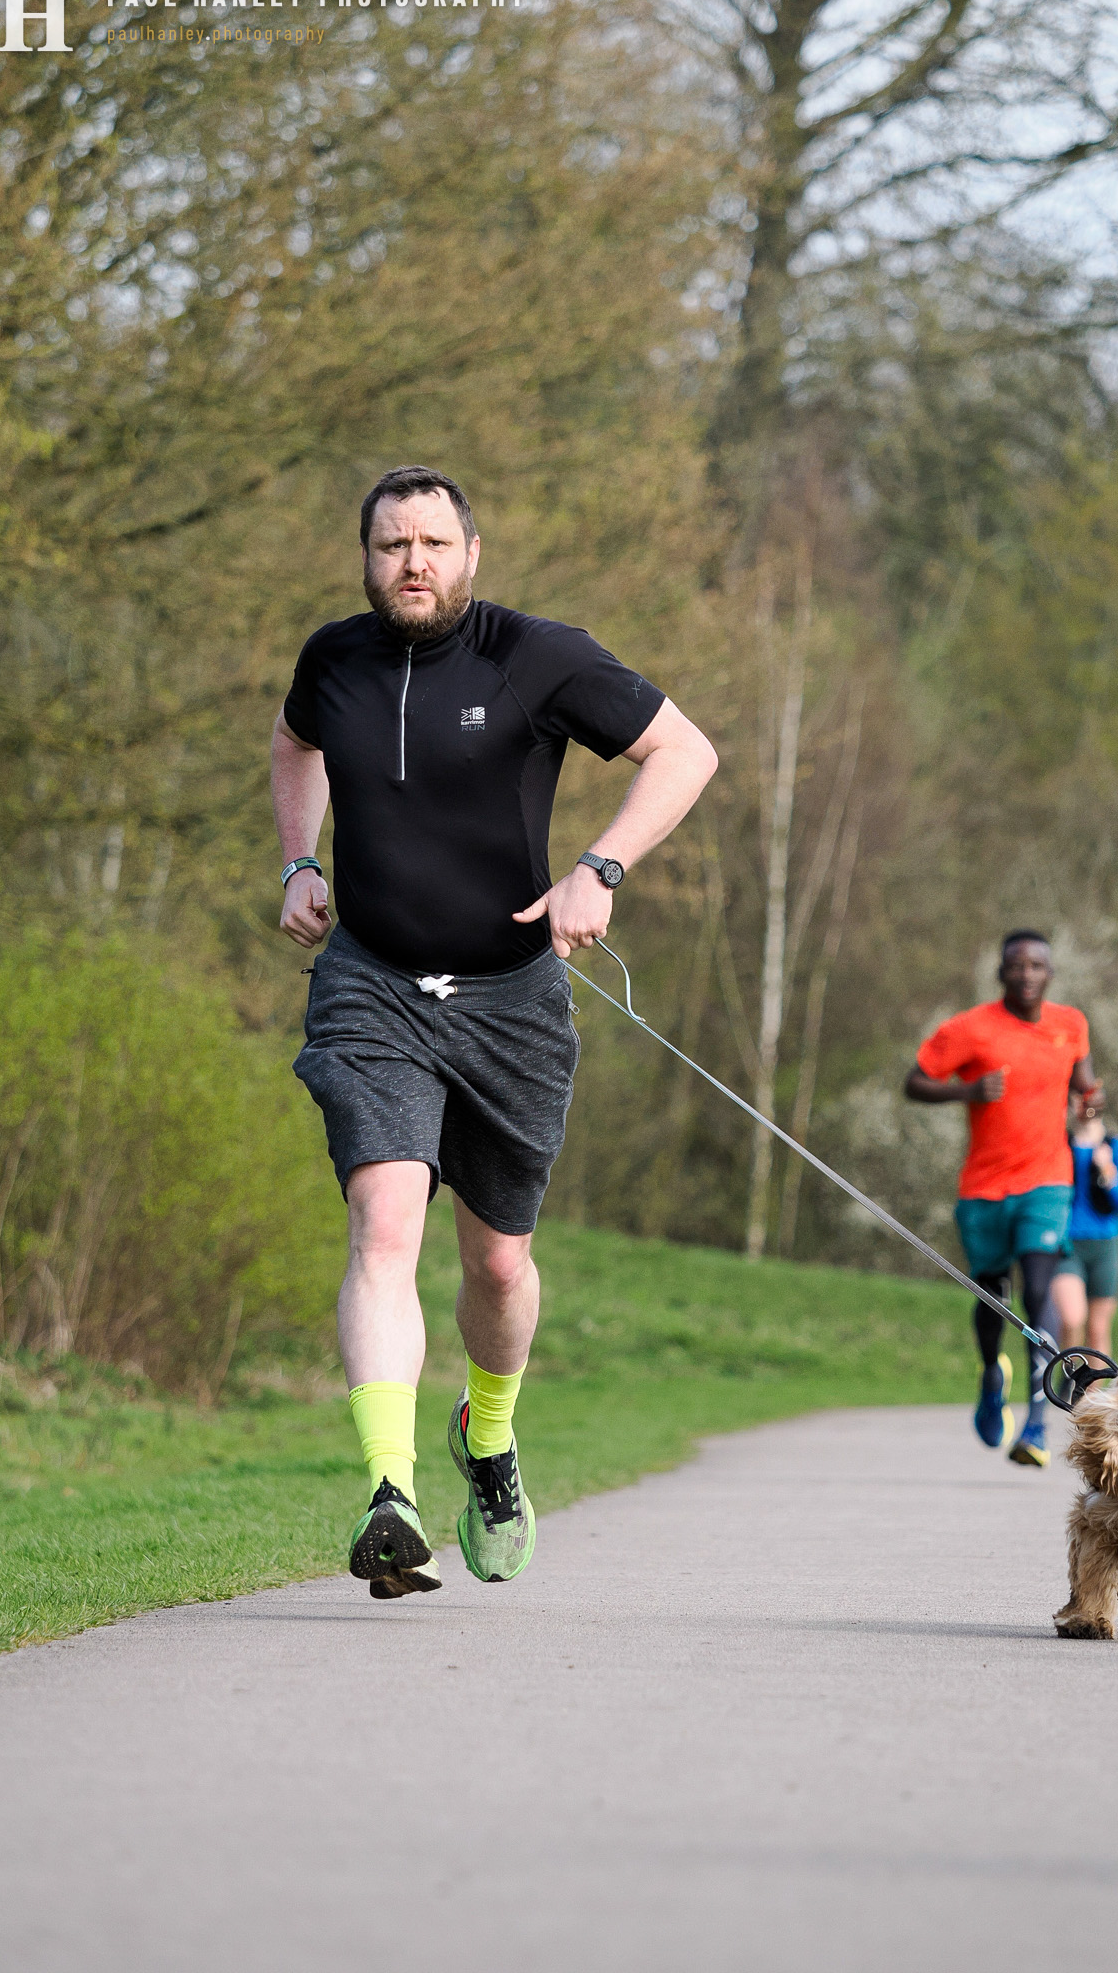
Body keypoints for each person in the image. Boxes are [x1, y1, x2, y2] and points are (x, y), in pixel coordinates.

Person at [272, 465, 717, 1598]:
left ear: (472, 551)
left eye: (431, 541)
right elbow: (294, 747)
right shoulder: (335, 658)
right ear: (365, 557)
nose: (410, 562)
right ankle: (390, 1490)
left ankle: (490, 1431)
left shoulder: (539, 654)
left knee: (498, 1262)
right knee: (382, 1226)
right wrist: (298, 859)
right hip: (371, 984)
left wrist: (599, 866)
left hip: (513, 999)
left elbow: (686, 752)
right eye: (389, 545)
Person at [903, 931, 1100, 1469]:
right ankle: (993, 1373)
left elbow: (1081, 1078)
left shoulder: (1071, 1024)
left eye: (1037, 965)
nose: (1027, 974)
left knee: (1040, 1291)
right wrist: (965, 1092)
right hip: (984, 1189)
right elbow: (915, 1082)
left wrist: (1090, 1097)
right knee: (993, 1294)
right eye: (1016, 965)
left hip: (1047, 1181)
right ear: (1001, 973)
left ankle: (1037, 1423)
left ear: (1050, 974)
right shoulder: (970, 1029)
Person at [1050, 1092, 1118, 1362]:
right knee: (1071, 1317)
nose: (1082, 1105)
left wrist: (1107, 1169)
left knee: (1098, 1329)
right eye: (1076, 1099)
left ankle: (1091, 1400)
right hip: (1066, 1245)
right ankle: (1070, 1373)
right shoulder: (1060, 1146)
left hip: (1105, 1246)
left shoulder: (1117, 1147)